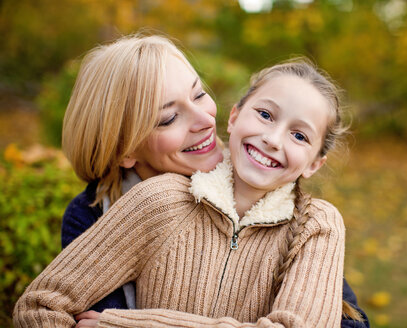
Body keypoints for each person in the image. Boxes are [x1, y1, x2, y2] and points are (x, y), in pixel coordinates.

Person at [14, 58, 369, 327]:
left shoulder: (317, 228)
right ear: (233, 118)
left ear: (314, 164)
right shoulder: (158, 199)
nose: (273, 139)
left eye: (299, 136)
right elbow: (40, 306)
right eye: (264, 114)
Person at [59, 34, 224, 311]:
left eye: (199, 94)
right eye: (169, 118)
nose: (206, 120)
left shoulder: (257, 183)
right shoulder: (90, 216)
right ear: (124, 150)